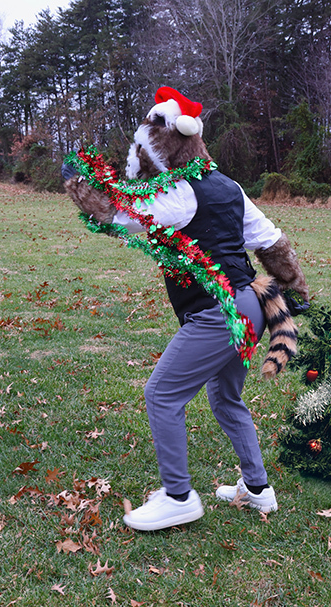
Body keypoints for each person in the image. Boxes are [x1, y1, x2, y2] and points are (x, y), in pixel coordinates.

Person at [64, 87, 308, 531]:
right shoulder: (228, 186)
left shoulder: (180, 194)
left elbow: (120, 215)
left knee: (162, 394)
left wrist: (79, 184)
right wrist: (296, 287)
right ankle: (257, 488)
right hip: (250, 304)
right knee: (225, 397)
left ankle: (178, 497)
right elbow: (272, 241)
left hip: (220, 311)